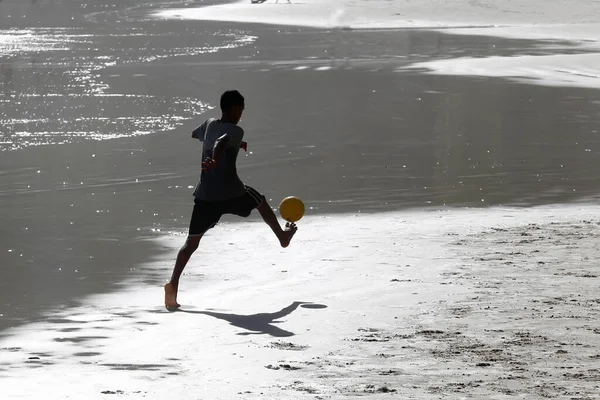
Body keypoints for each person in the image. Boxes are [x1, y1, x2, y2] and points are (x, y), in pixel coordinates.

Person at [164, 90, 297, 309]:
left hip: (206, 195)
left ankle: (173, 286)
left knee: (191, 243)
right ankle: (282, 237)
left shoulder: (208, 124)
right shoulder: (235, 130)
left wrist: (233, 145)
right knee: (260, 201)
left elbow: (195, 134)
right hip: (231, 192)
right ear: (235, 108)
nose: (242, 114)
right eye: (242, 110)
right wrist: (216, 158)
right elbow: (223, 141)